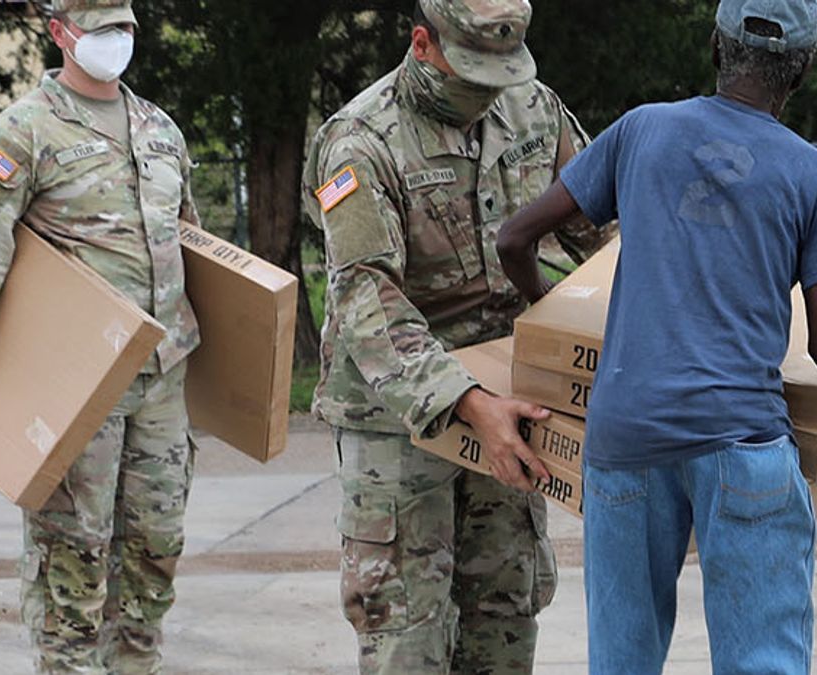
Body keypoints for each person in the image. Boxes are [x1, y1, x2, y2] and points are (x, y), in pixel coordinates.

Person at [497, 1, 817, 672]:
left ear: (717, 49)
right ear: (801, 70)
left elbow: (514, 237)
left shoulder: (641, 131)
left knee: (621, 659)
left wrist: (548, 308)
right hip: (739, 440)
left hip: (624, 439)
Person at [301, 0, 611, 671]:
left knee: (504, 612)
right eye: (472, 76)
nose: (488, 95)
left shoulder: (534, 109)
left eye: (501, 76)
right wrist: (471, 403)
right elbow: (367, 299)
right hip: (398, 416)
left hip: (511, 392)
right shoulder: (362, 139)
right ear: (422, 44)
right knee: (406, 630)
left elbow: (604, 230)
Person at [0, 0, 203, 671]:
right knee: (75, 552)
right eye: (100, 28)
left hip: (160, 376)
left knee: (156, 546)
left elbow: (189, 241)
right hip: (77, 379)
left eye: (124, 26)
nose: (116, 40)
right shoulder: (21, 131)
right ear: (60, 33)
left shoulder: (160, 129)